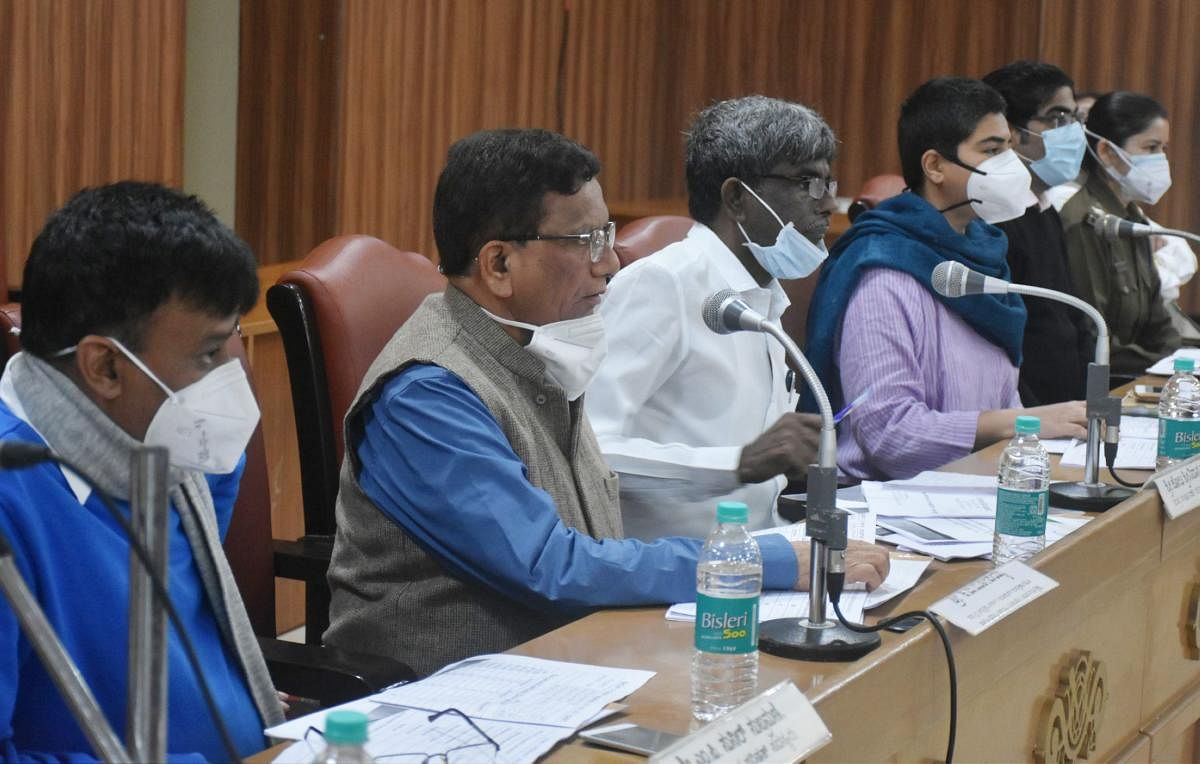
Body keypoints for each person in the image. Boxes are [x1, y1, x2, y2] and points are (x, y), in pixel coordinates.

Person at [323, 128, 890, 675]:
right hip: (452, 694)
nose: (610, 263)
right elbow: (549, 566)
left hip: (577, 657)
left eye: (608, 235)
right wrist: (759, 561)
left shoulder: (542, 348)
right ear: (498, 264)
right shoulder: (427, 395)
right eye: (585, 242)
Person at [0, 182, 282, 759]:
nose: (234, 372)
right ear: (104, 366)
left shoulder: (173, 442)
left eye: (233, 339)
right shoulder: (12, 495)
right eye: (208, 353)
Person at [805, 78, 1087, 481]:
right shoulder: (885, 271)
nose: (1010, 163)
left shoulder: (988, 256)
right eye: (991, 150)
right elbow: (890, 437)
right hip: (883, 506)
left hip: (971, 487)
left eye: (1009, 146)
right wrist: (1018, 423)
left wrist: (1022, 427)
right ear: (935, 166)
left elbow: (1002, 398)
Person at [586, 96, 832, 540]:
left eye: (827, 183)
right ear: (737, 197)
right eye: (806, 182)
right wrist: (738, 463)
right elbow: (591, 450)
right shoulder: (663, 284)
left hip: (762, 549)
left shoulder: (766, 298)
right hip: (668, 571)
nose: (826, 203)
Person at [981, 61, 1094, 405]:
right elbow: (1003, 338)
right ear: (1012, 134)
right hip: (1030, 417)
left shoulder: (1043, 208)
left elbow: (1069, 317)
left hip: (1068, 409)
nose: (1074, 131)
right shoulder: (995, 216)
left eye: (1076, 118)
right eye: (1058, 118)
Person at [1059, 91, 1181, 377]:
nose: (1161, 159)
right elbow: (1093, 334)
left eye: (1163, 148)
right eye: (1151, 148)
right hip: (1103, 384)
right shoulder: (1083, 221)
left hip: (1140, 377)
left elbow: (1159, 323)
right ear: (1107, 152)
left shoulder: (1132, 219)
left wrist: (1178, 364)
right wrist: (1159, 366)